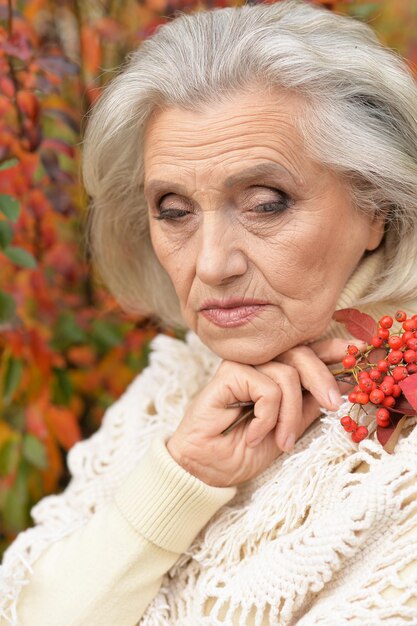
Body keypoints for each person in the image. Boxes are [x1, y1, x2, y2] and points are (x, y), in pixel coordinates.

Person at [1, 0, 417, 623]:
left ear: (376, 207)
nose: (211, 264)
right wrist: (178, 479)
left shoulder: (399, 453)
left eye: (265, 202)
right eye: (174, 210)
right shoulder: (177, 383)